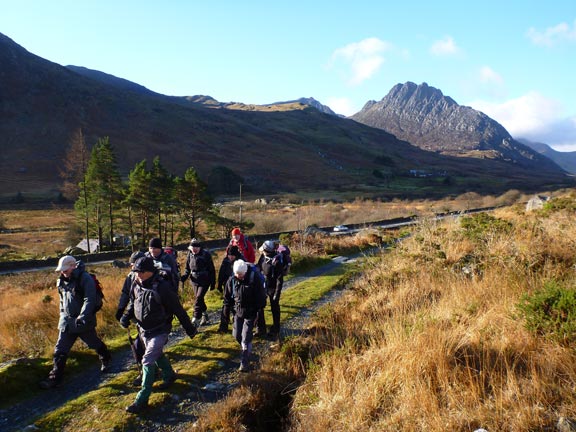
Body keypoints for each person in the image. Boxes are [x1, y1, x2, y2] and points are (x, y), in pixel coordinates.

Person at [120, 256, 198, 414]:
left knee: (147, 360)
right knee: (157, 354)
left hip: (160, 330)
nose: (137, 274)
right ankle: (169, 376)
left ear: (150, 272)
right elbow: (132, 302)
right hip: (143, 330)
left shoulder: (162, 287)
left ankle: (141, 400)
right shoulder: (136, 283)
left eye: (140, 272)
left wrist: (190, 329)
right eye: (135, 271)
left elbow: (178, 309)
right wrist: (125, 317)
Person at [40, 255, 111, 389]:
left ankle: (106, 357)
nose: (63, 272)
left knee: (93, 343)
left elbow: (89, 300)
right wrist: (62, 316)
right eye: (61, 270)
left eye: (65, 269)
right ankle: (55, 377)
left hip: (83, 321)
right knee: (60, 349)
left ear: (73, 266)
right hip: (66, 322)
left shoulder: (85, 279)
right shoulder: (60, 281)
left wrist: (83, 316)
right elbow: (62, 301)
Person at [223, 260, 266, 372]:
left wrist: (258, 312)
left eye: (241, 275)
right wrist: (225, 316)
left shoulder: (254, 279)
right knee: (237, 335)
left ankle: (244, 363)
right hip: (238, 312)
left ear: (245, 272)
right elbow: (227, 299)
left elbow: (261, 297)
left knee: (245, 337)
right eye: (238, 275)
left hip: (251, 312)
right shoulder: (232, 280)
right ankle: (246, 349)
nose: (240, 277)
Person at [115, 250, 146, 384]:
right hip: (138, 316)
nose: (132, 267)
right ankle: (157, 371)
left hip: (151, 318)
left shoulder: (151, 276)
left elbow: (138, 300)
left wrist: (126, 314)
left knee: (140, 345)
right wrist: (121, 310)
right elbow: (125, 294)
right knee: (143, 344)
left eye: (133, 264)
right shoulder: (131, 276)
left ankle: (148, 373)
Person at [180, 238, 216, 327]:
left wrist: (213, 282)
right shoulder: (190, 254)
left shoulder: (206, 254)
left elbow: (211, 269)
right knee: (199, 299)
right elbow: (187, 268)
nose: (194, 250)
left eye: (196, 248)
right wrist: (184, 276)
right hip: (194, 280)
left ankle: (196, 318)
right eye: (192, 248)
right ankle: (205, 315)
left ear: (199, 248)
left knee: (199, 298)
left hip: (205, 279)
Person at [256, 240, 285, 339]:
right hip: (262, 286)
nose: (262, 251)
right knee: (259, 306)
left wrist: (277, 293)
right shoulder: (263, 257)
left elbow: (279, 279)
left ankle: (276, 329)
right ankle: (261, 329)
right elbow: (258, 267)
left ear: (266, 250)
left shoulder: (276, 261)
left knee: (274, 308)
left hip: (272, 287)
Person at [217, 245, 244, 333]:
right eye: (229, 255)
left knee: (237, 305)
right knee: (226, 305)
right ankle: (223, 327)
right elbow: (221, 272)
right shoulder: (225, 261)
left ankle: (239, 324)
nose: (230, 257)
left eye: (232, 255)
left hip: (239, 287)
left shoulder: (242, 261)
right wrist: (219, 284)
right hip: (227, 286)